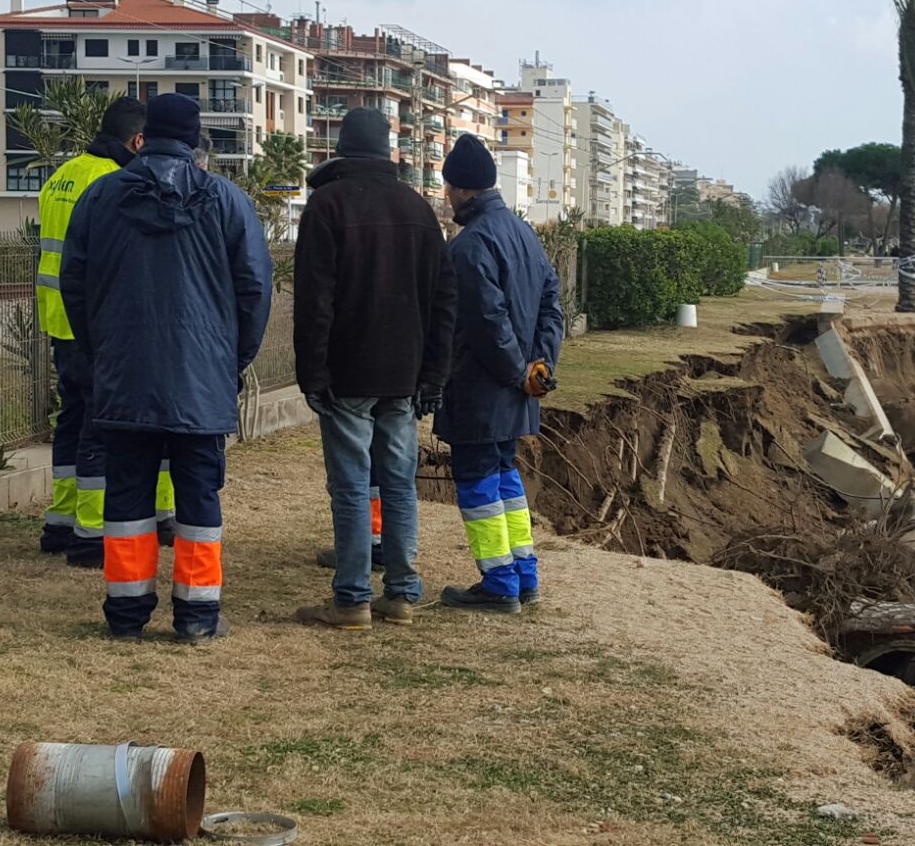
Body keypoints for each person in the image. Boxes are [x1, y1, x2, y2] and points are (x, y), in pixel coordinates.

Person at [59, 93, 270, 642]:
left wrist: (98, 350)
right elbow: (254, 289)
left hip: (123, 373)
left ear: (145, 135)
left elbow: (74, 285)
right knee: (199, 495)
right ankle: (198, 616)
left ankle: (126, 613)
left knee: (127, 493)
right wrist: (232, 359)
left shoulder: (100, 196)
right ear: (196, 139)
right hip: (202, 377)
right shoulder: (227, 200)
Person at [292, 108, 457, 631]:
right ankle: (403, 594)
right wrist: (432, 375)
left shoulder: (327, 204)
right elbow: (443, 300)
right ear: (389, 151)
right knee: (400, 485)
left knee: (351, 488)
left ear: (343, 149)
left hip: (347, 374)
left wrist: (312, 372)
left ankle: (352, 600)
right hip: (404, 375)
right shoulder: (418, 208)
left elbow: (315, 300)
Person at [36, 97, 173, 568]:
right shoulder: (112, 183)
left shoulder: (62, 175)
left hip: (59, 320)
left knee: (71, 421)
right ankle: (91, 533)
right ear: (138, 141)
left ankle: (60, 520)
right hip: (95, 325)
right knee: (100, 425)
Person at [434, 134, 563, 614]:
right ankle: (524, 574)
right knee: (507, 477)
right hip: (517, 390)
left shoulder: (469, 246)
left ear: (462, 189)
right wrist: (539, 366)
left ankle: (499, 583)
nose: (446, 198)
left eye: (448, 189)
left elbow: (487, 324)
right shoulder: (524, 234)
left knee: (478, 483)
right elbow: (553, 304)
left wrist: (516, 373)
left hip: (480, 391)